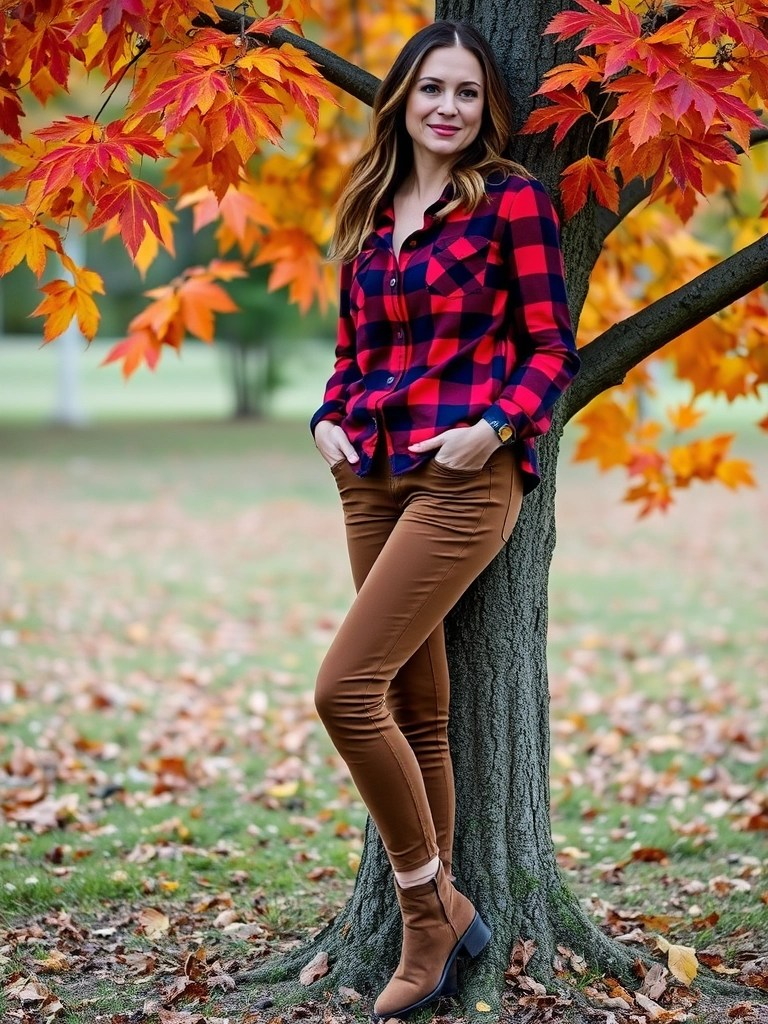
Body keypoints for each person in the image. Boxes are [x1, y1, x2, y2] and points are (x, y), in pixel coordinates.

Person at [310, 19, 580, 1020]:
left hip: (464, 477)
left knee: (344, 690)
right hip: (369, 476)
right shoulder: (372, 208)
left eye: (468, 93)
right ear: (402, 100)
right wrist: (325, 419)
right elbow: (353, 354)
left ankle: (427, 915)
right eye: (433, 90)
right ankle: (449, 902)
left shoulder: (511, 200)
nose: (449, 109)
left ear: (486, 108)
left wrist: (496, 428)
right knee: (415, 709)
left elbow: (554, 349)